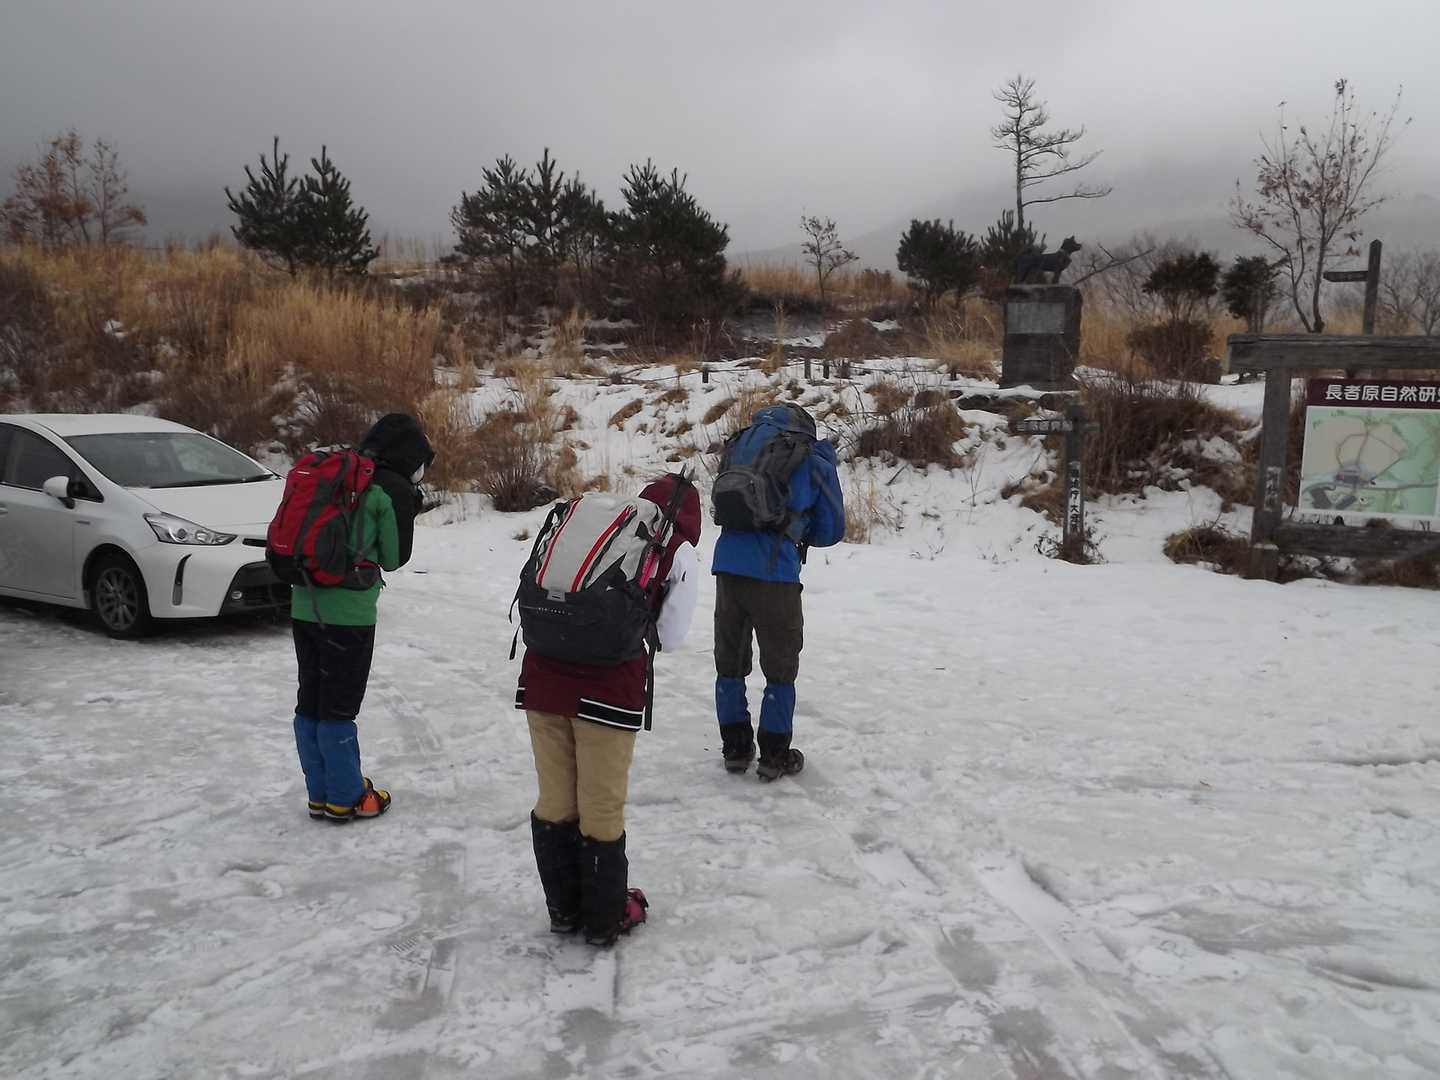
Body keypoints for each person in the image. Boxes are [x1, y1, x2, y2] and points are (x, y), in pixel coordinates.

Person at [516, 474, 702, 946]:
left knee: (555, 798)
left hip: (542, 677)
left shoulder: (603, 527)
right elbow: (672, 636)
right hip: (608, 689)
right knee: (601, 802)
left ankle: (564, 910)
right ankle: (603, 919)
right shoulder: (674, 547)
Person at [291, 413, 433, 823]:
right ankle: (346, 796)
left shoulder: (336, 473)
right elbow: (394, 557)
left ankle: (319, 793)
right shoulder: (388, 488)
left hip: (303, 602)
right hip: (349, 614)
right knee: (339, 706)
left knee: (311, 699)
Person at [711, 403, 844, 780]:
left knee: (729, 663)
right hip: (775, 575)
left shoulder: (738, 446)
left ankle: (735, 748)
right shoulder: (811, 458)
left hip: (727, 567)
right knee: (780, 668)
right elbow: (832, 530)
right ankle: (774, 755)